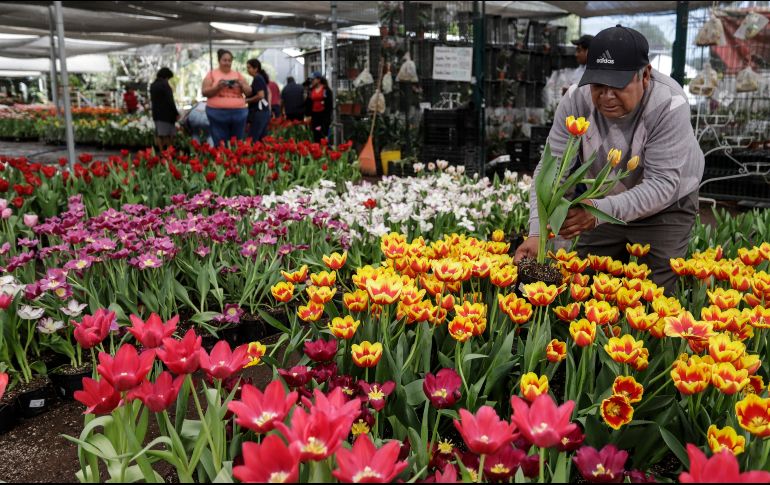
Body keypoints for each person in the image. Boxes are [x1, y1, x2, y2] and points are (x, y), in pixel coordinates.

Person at [515, 25, 704, 295]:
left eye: (617, 85)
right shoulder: (575, 100)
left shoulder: (669, 103)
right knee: (588, 285)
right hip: (602, 201)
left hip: (666, 206)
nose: (606, 96)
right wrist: (537, 233)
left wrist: (596, 211)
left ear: (646, 75)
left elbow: (663, 184)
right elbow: (550, 170)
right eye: (598, 85)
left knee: (653, 294)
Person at [201, 49, 252, 147]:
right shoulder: (212, 74)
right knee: (220, 141)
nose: (227, 63)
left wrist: (242, 84)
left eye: (229, 60)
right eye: (224, 60)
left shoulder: (237, 75)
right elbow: (204, 92)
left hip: (239, 113)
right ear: (219, 61)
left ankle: (236, 159)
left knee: (237, 141)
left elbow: (249, 92)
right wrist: (217, 87)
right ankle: (222, 159)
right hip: (217, 113)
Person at [150, 67, 179, 150]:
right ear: (166, 76)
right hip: (166, 115)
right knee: (167, 135)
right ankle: (168, 153)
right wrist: (176, 113)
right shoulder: (165, 85)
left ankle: (161, 151)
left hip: (156, 114)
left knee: (159, 134)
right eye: (168, 78)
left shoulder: (153, 85)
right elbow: (170, 101)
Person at [245, 58, 271, 142]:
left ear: (256, 68)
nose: (247, 70)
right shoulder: (259, 78)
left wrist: (246, 100)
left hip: (259, 112)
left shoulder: (257, 78)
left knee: (253, 139)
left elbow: (260, 95)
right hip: (263, 112)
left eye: (249, 67)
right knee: (262, 139)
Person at [305, 72, 333, 143]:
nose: (312, 81)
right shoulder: (311, 90)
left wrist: (328, 116)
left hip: (323, 116)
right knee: (316, 134)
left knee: (323, 134)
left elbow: (329, 103)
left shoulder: (325, 90)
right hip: (315, 115)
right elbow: (308, 102)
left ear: (318, 80)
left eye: (313, 79)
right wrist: (308, 114)